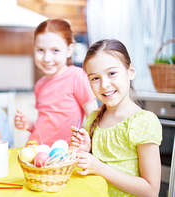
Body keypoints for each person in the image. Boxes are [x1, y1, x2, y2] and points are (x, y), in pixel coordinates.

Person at [70, 39, 162, 197]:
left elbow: (151, 190)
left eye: (111, 73)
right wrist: (86, 149)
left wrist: (99, 168)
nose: (104, 84)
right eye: (95, 78)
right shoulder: (94, 117)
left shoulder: (143, 121)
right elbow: (96, 163)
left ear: (130, 72)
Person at [15, 19, 98, 147]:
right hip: (36, 148)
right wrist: (30, 125)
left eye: (55, 51)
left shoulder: (77, 76)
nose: (47, 59)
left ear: (69, 50)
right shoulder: (40, 85)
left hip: (63, 155)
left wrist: (88, 146)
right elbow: (47, 123)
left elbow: (94, 118)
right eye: (40, 50)